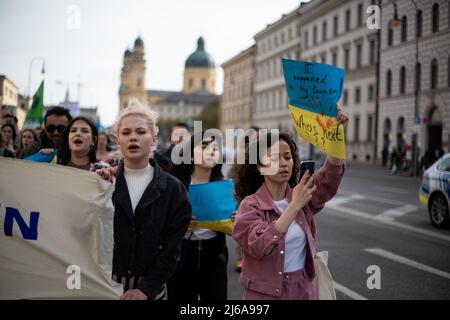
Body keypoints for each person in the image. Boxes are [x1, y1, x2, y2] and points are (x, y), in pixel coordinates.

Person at [232, 109, 348, 300]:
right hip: (265, 295)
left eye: (287, 157)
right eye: (275, 158)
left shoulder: (301, 192)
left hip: (303, 290)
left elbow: (329, 179)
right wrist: (294, 206)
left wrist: (337, 137)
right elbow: (259, 246)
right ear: (260, 166)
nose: (284, 163)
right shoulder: (250, 205)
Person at [96, 100, 191, 300]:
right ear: (117, 139)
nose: (133, 138)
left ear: (154, 138)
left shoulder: (174, 190)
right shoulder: (103, 183)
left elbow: (172, 248)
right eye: (126, 133)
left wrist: (145, 289)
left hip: (151, 292)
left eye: (140, 132)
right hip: (104, 286)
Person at [167, 131, 229, 300]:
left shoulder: (224, 186)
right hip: (181, 256)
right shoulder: (174, 184)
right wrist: (180, 225)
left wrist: (234, 220)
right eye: (204, 146)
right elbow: (160, 222)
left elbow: (234, 228)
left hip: (214, 256)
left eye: (215, 148)